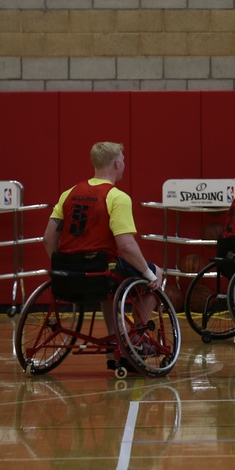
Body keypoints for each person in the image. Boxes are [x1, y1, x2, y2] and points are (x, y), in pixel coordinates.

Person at [43, 141, 160, 335]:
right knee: (155, 273)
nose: (123, 163)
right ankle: (138, 337)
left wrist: (63, 265)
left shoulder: (68, 194)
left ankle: (115, 336)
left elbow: (48, 238)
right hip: (103, 269)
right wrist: (148, 273)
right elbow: (126, 246)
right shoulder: (117, 197)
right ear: (116, 164)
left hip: (71, 272)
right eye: (122, 160)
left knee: (109, 281)